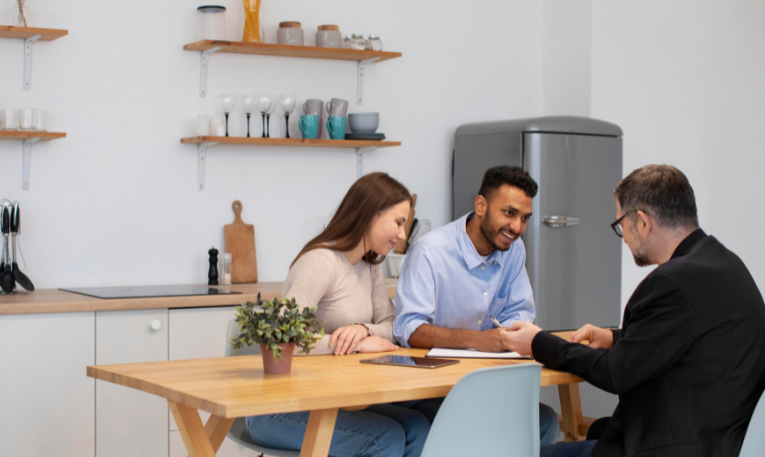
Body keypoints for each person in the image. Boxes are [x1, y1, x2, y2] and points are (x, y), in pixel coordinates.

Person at [502, 164, 765, 457]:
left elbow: (615, 373)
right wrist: (616, 337)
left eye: (620, 226)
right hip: (722, 440)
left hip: (676, 446)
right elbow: (686, 332)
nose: (624, 238)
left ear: (642, 222)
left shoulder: (671, 282)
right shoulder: (726, 264)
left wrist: (537, 342)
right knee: (593, 431)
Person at [246, 172, 432, 457]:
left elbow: (393, 324)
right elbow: (279, 338)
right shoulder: (321, 262)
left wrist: (364, 330)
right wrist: (353, 344)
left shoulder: (368, 266)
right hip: (277, 409)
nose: (403, 235)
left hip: (335, 398)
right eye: (398, 222)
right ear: (370, 214)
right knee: (385, 438)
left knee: (419, 427)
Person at [393, 165, 560, 447]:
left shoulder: (514, 249)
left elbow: (519, 311)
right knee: (477, 428)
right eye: (509, 213)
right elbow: (408, 329)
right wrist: (480, 341)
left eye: (525, 218)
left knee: (544, 422)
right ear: (481, 205)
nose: (517, 228)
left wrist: (511, 333)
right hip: (428, 389)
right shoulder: (430, 251)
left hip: (485, 380)